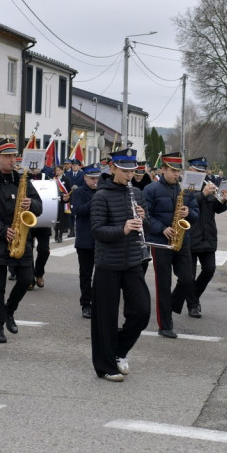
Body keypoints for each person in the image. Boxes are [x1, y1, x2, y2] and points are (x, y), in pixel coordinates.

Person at [89, 148, 152, 382]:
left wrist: (143, 218)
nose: (129, 175)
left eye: (132, 171)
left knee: (142, 311)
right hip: (108, 262)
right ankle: (105, 366)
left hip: (133, 260)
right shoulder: (101, 196)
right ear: (112, 168)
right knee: (105, 316)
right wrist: (122, 229)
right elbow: (97, 230)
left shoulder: (136, 192)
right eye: (125, 170)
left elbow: (147, 226)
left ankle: (119, 350)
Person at [0, 138, 42, 343]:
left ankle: (9, 310)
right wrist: (3, 231)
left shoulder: (22, 179)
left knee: (25, 278)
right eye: (8, 157)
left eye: (14, 156)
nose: (13, 160)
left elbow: (39, 204)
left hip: (21, 236)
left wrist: (32, 203)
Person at [143, 151, 199, 338]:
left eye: (178, 171)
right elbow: (145, 216)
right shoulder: (150, 190)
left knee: (188, 279)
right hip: (161, 243)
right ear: (163, 169)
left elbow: (196, 216)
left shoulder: (187, 190)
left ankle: (174, 303)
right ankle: (165, 326)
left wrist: (188, 212)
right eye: (173, 171)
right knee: (163, 285)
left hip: (182, 240)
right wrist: (162, 229)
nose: (176, 175)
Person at [185, 156, 227, 318]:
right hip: (190, 235)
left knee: (210, 269)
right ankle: (193, 305)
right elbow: (185, 207)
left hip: (208, 236)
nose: (201, 174)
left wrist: (224, 200)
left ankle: (194, 296)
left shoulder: (209, 185)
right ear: (191, 170)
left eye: (203, 171)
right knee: (188, 275)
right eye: (198, 171)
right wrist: (203, 194)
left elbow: (217, 209)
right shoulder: (186, 187)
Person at [71, 164, 101, 319]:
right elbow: (78, 211)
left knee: (101, 275)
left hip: (102, 239)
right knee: (86, 274)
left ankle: (98, 302)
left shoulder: (103, 191)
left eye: (97, 178)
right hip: (85, 240)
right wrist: (95, 200)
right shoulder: (79, 192)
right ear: (85, 177)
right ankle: (86, 304)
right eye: (92, 178)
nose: (95, 181)